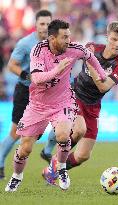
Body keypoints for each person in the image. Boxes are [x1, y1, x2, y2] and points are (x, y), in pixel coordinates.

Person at [5, 19, 106, 192]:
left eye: (69, 36)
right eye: (64, 37)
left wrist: (102, 74)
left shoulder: (74, 49)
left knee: (63, 134)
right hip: (37, 105)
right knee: (25, 149)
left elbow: (90, 56)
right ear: (52, 38)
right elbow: (36, 78)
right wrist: (57, 70)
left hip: (62, 101)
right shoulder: (38, 50)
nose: (68, 40)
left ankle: (61, 167)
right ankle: (17, 176)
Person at [43, 21, 118, 179]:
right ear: (107, 37)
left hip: (93, 105)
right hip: (74, 94)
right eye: (114, 39)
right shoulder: (92, 47)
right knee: (79, 130)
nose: (117, 44)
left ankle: (52, 170)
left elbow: (103, 87)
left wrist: (90, 62)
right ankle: (56, 167)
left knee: (83, 155)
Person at [0, 10, 52, 179]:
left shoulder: (54, 42)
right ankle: (0, 162)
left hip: (46, 93)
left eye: (48, 24)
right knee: (15, 133)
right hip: (25, 92)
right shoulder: (25, 43)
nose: (45, 27)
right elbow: (12, 65)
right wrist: (28, 76)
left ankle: (49, 155)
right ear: (36, 25)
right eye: (42, 24)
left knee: (62, 126)